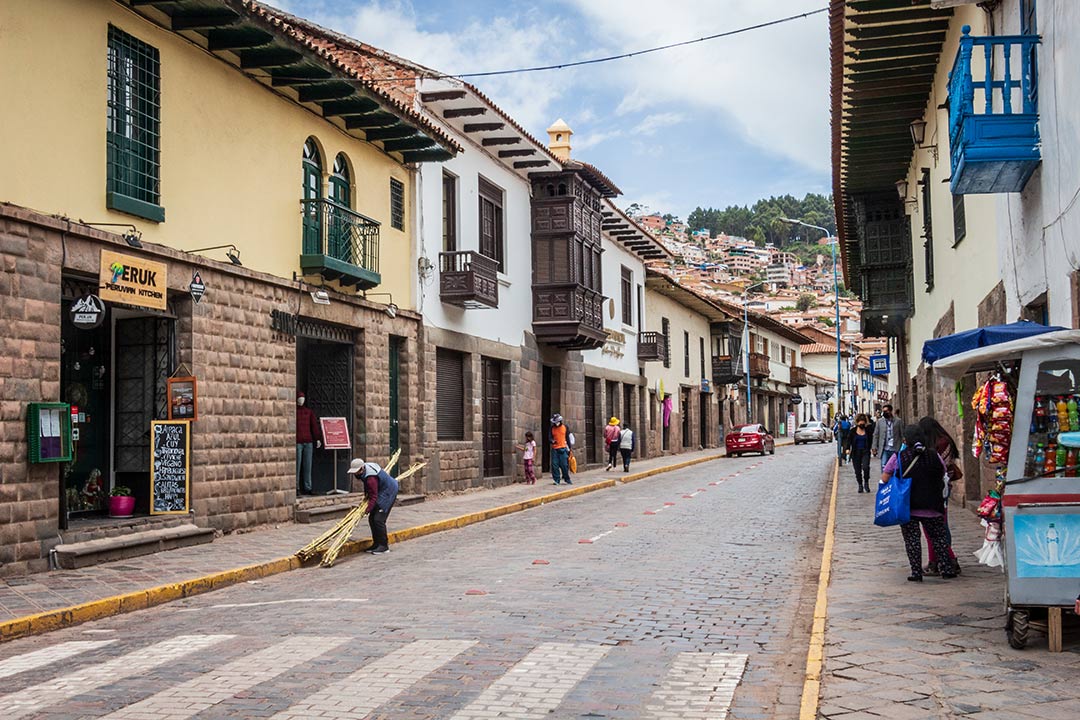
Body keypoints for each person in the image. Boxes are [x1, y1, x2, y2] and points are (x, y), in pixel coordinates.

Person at [882, 425, 954, 582]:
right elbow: (943, 472)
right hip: (932, 504)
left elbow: (885, 477)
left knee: (912, 539)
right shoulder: (934, 456)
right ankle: (947, 569)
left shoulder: (899, 457)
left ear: (905, 440)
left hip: (908, 506)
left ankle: (916, 572)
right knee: (939, 537)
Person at [919, 416, 962, 576]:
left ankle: (945, 558)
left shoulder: (938, 445)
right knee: (941, 523)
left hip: (937, 487)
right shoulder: (946, 441)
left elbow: (937, 467)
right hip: (943, 486)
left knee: (936, 526)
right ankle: (943, 557)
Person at [346, 458, 398, 555]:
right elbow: (369, 491)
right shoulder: (366, 470)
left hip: (388, 493)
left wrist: (367, 509)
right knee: (372, 519)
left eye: (356, 472)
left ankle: (383, 546)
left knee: (378, 519)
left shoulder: (371, 478)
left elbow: (373, 496)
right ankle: (376, 544)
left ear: (362, 469)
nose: (355, 474)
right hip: (381, 491)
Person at [295, 392, 322, 495]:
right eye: (299, 398)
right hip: (298, 442)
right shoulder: (295, 412)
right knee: (297, 466)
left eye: (303, 398)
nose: (301, 400)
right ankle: (296, 487)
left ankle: (308, 487)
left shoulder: (308, 412)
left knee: (307, 465)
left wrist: (317, 438)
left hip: (308, 442)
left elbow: (314, 426)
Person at [845, 413, 872, 492]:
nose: (862, 423)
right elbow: (848, 441)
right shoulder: (853, 431)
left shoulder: (868, 431)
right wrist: (847, 449)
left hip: (865, 451)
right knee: (857, 470)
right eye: (860, 422)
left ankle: (866, 483)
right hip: (856, 452)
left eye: (863, 421)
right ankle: (860, 484)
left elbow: (871, 440)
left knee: (866, 467)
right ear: (857, 422)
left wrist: (873, 448)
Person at [872, 404, 903, 470]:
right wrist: (874, 447)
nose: (885, 413)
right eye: (884, 411)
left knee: (895, 466)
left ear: (890, 411)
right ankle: (885, 480)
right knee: (884, 465)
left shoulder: (898, 421)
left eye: (886, 411)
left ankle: (893, 479)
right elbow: (876, 434)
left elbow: (902, 434)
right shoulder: (880, 422)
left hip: (895, 448)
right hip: (885, 448)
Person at [549, 413, 574, 485]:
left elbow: (568, 439)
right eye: (555, 422)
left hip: (563, 449)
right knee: (554, 465)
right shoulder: (552, 428)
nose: (556, 423)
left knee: (564, 465)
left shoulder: (565, 427)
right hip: (555, 449)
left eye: (557, 422)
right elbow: (550, 438)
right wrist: (552, 441)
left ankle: (567, 479)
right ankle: (556, 480)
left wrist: (570, 449)